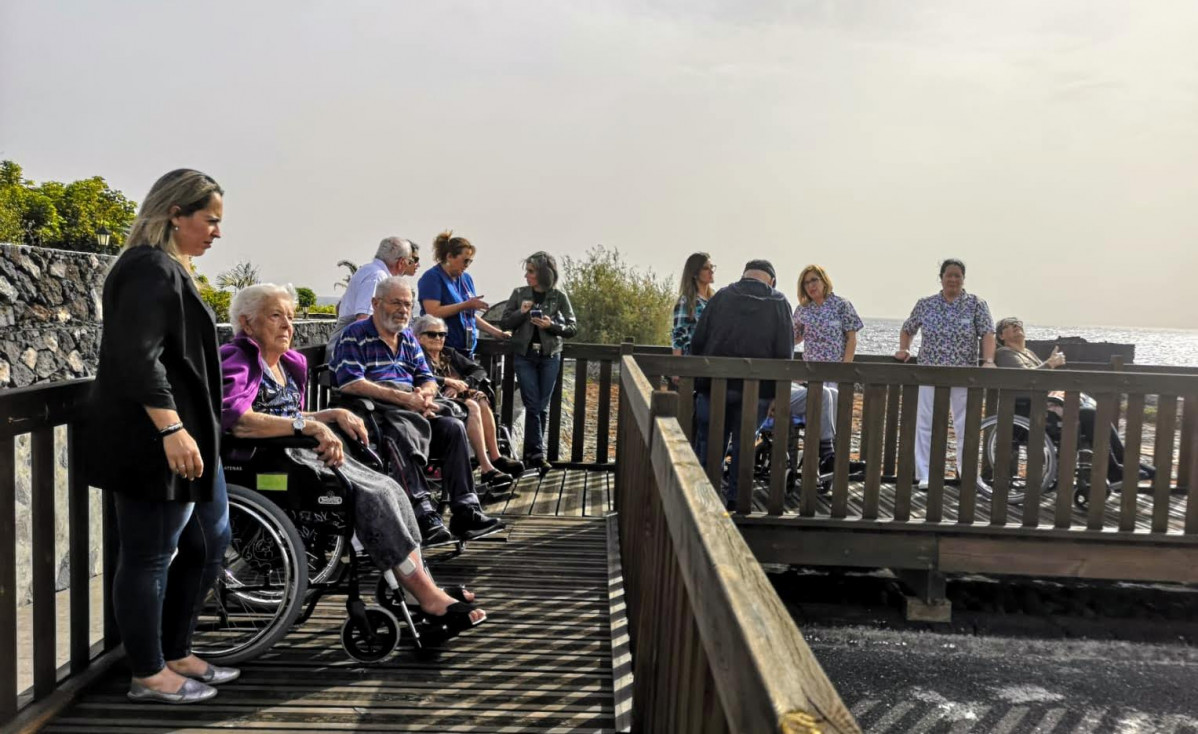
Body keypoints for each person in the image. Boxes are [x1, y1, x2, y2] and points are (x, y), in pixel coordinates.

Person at [222, 285, 487, 633]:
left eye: (290, 316)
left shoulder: (286, 364)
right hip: (268, 466)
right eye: (276, 316)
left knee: (390, 488)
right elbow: (238, 419)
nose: (288, 325)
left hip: (299, 456)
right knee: (372, 497)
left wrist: (329, 414)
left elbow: (289, 413)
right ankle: (428, 596)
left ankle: (420, 584)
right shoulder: (237, 357)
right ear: (247, 322)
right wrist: (312, 427)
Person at [84, 169, 235, 704]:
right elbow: (135, 355)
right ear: (176, 213)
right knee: (149, 554)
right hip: (158, 441)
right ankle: (148, 672)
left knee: (207, 541)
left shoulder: (171, 267)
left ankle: (175, 649)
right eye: (210, 220)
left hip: (192, 437)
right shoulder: (148, 267)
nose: (217, 232)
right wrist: (171, 428)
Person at [331, 277, 504, 545]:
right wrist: (402, 399)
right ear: (376, 303)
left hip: (413, 407)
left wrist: (424, 395)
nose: (403, 310)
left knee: (453, 427)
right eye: (396, 303)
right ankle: (421, 512)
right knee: (397, 430)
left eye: (408, 305)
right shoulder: (355, 335)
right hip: (377, 410)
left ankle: (465, 511)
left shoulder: (409, 340)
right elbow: (350, 382)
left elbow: (427, 377)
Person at [994, 316, 1154, 484]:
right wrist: (1050, 363)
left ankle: (1125, 464)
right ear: (1001, 336)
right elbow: (1026, 380)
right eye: (1009, 325)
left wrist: (1053, 367)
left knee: (1095, 414)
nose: (1016, 326)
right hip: (1029, 411)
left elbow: (1043, 379)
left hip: (1044, 406)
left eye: (1018, 324)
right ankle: (1115, 470)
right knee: (1090, 415)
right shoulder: (1005, 353)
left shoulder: (1028, 353)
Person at [692, 260, 793, 508]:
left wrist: (696, 382)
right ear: (771, 279)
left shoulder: (722, 297)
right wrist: (779, 395)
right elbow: (785, 355)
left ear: (744, 275)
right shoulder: (779, 302)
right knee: (745, 444)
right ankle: (738, 502)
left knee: (710, 443)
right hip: (757, 391)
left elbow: (697, 342)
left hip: (713, 387)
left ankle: (705, 502)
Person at [895, 258, 997, 489]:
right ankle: (925, 474)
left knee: (965, 425)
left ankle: (967, 473)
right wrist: (904, 349)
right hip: (930, 371)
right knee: (925, 423)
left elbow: (988, 333)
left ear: (963, 279)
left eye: (957, 275)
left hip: (964, 373)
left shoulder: (976, 304)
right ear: (941, 278)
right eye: (949, 275)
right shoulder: (926, 303)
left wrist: (989, 360)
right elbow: (908, 328)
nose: (953, 279)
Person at [413, 313, 525, 487]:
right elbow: (419, 377)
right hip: (435, 403)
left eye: (442, 334)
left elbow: (479, 370)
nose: (438, 338)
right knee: (472, 404)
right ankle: (486, 468)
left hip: (455, 401)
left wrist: (464, 383)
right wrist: (447, 382)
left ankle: (495, 457)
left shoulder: (448, 353)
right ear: (418, 337)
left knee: (480, 398)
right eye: (432, 334)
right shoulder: (417, 356)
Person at [497, 252, 578, 475]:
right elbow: (505, 322)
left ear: (543, 273)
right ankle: (538, 455)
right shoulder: (519, 294)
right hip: (524, 356)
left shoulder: (559, 297)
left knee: (540, 406)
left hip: (550, 356)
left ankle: (533, 454)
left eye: (531, 271)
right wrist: (521, 314)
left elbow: (572, 328)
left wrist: (550, 325)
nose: (526, 275)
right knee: (533, 404)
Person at [790, 264, 863, 469]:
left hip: (835, 372)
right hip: (810, 374)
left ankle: (835, 462)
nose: (811, 286)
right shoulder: (803, 310)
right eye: (806, 283)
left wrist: (844, 370)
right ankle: (816, 462)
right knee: (814, 418)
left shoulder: (841, 305)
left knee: (837, 420)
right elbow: (795, 338)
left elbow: (851, 338)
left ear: (824, 280)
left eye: (814, 280)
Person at [418, 230, 506, 356]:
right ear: (449, 256)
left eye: (470, 261)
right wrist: (465, 305)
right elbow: (433, 312)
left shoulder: (466, 279)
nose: (467, 265)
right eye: (465, 261)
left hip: (467, 350)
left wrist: (497, 333)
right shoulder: (432, 278)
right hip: (443, 350)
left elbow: (467, 315)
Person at [329, 237, 417, 349]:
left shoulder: (370, 270)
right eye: (409, 262)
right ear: (400, 263)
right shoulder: (377, 276)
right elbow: (364, 319)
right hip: (349, 353)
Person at [672, 253, 716, 357]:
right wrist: (676, 371)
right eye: (706, 268)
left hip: (712, 361)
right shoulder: (686, 302)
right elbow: (678, 337)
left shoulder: (714, 300)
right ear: (695, 273)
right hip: (693, 363)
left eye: (712, 267)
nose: (711, 271)